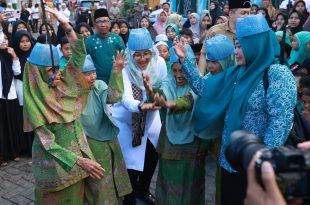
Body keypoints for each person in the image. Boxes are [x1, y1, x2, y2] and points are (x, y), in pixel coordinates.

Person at [173, 14, 297, 205]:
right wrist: (185, 61)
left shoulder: (277, 75)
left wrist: (260, 166)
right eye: (236, 45)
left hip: (254, 168)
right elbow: (206, 89)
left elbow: (279, 124)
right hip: (229, 162)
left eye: (240, 46)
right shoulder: (237, 73)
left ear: (255, 45)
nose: (236, 52)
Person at [24, 7, 104, 204]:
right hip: (54, 171)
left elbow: (78, 56)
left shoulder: (63, 83)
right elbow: (47, 142)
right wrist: (79, 161)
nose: (57, 74)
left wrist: (67, 26)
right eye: (51, 70)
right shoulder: (35, 100)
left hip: (80, 165)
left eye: (58, 68)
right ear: (37, 74)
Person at [112, 28, 167, 205]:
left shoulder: (159, 63)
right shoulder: (125, 67)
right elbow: (126, 98)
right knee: (131, 163)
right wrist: (141, 106)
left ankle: (143, 190)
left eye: (146, 54)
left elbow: (165, 87)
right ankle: (129, 197)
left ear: (152, 51)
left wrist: (159, 99)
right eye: (137, 55)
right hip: (129, 119)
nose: (142, 59)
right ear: (130, 54)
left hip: (152, 118)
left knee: (153, 155)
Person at [150, 46, 209, 205]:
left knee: (190, 184)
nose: (178, 75)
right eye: (174, 70)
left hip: (192, 144)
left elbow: (189, 101)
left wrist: (172, 104)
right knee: (167, 181)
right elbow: (159, 94)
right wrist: (153, 93)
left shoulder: (199, 85)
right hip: (168, 141)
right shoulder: (168, 83)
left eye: (183, 70)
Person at [80, 55, 132, 204]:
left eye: (93, 73)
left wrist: (116, 71)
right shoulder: (71, 94)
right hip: (89, 143)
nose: (92, 77)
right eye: (87, 74)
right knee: (97, 181)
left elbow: (113, 97)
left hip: (108, 138)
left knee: (111, 176)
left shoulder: (99, 85)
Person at [198, 0, 251, 75]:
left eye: (249, 13)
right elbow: (204, 55)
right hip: (219, 79)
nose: (247, 16)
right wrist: (200, 77)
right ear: (231, 14)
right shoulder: (215, 31)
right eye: (243, 13)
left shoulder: (251, 32)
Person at [0, 31, 22, 166]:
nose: (4, 41)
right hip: (0, 96)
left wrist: (14, 57)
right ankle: (3, 154)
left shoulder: (10, 55)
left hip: (11, 95)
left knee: (12, 125)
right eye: (1, 39)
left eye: (6, 39)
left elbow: (17, 72)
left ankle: (14, 152)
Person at [86, 8, 125, 84]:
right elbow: (86, 62)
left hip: (116, 79)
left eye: (105, 21)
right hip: (97, 81)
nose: (103, 24)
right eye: (99, 22)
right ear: (95, 24)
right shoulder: (89, 41)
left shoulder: (117, 39)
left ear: (110, 23)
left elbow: (124, 57)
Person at [12, 30, 34, 157]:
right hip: (20, 91)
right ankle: (25, 147)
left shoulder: (35, 55)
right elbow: (16, 74)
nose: (25, 44)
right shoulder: (14, 56)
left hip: (34, 92)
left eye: (27, 41)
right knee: (23, 119)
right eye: (21, 41)